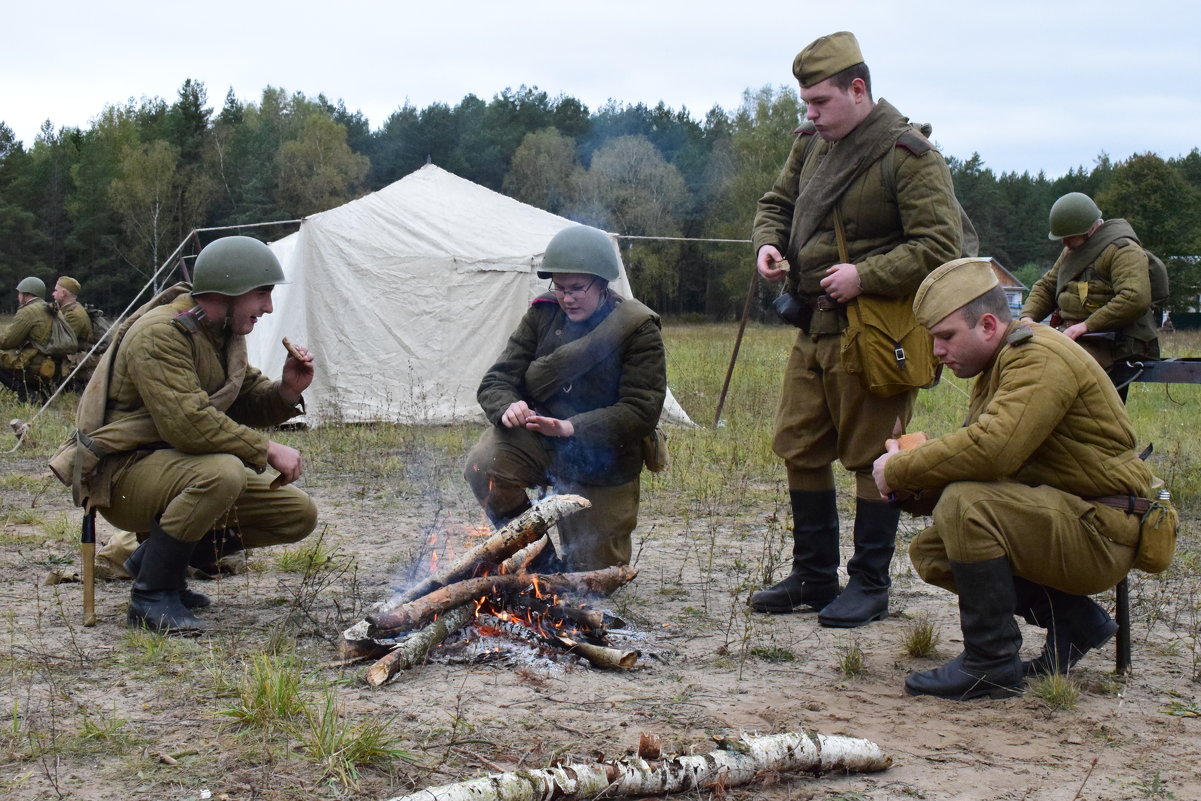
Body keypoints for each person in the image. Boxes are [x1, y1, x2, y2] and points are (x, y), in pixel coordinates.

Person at [749, 31, 963, 627]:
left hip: (876, 332)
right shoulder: (810, 146)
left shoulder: (907, 155)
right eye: (806, 105)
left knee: (875, 456)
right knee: (799, 445)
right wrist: (768, 243)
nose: (810, 115)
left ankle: (869, 583)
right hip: (813, 326)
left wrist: (866, 275)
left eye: (820, 102)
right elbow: (776, 204)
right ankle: (814, 576)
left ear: (859, 88)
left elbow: (941, 246)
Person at [873, 257, 1153, 700]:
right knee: (934, 549)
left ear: (987, 325)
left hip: (1104, 530)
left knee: (965, 506)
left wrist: (900, 468)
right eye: (933, 339)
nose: (938, 351)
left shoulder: (1036, 356)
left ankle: (990, 663)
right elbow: (988, 462)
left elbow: (993, 449)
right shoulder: (1002, 361)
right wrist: (909, 486)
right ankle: (1073, 620)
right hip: (1073, 516)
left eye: (945, 337)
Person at [53, 236, 319, 633]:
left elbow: (243, 398)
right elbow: (189, 424)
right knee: (222, 472)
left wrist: (286, 391)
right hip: (124, 473)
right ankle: (151, 595)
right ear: (228, 290)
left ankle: (156, 560)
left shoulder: (221, 334)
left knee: (296, 514)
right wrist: (266, 448)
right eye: (262, 293)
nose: (268, 307)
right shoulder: (161, 334)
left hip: (177, 466)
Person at [463, 224, 666, 572]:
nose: (566, 297)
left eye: (576, 288)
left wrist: (571, 428)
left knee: (594, 576)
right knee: (484, 463)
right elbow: (497, 379)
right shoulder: (543, 313)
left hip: (604, 457)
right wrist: (509, 405)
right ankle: (537, 559)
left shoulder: (637, 329)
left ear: (602, 284)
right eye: (559, 287)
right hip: (541, 441)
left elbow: (641, 410)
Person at [1020, 192, 1159, 398]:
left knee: (1057, 372)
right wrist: (1027, 318)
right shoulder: (1072, 251)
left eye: (1069, 237)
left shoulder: (1123, 250)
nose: (1064, 243)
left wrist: (1085, 326)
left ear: (1090, 229)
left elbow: (1134, 297)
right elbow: (1048, 285)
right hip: (1082, 338)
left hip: (1115, 342)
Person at [0, 276, 56, 400]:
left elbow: (7, 341)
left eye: (19, 293)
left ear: (26, 294)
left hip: (33, 365)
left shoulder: (28, 311)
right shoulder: (51, 308)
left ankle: (24, 392)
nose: (18, 297)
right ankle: (39, 393)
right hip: (50, 365)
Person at [53, 276, 93, 344]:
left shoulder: (73, 315)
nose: (53, 294)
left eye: (56, 290)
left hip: (76, 354)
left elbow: (62, 343)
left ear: (63, 293)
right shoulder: (73, 309)